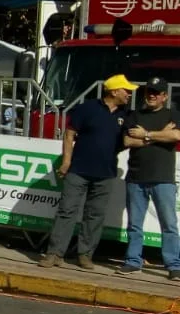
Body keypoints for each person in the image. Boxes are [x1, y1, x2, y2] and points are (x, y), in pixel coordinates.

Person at [39, 74, 135, 269]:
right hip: (79, 169)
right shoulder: (87, 108)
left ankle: (85, 255)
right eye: (127, 90)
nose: (129, 94)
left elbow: (127, 141)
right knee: (67, 211)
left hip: (106, 173)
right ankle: (54, 253)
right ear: (114, 91)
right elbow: (69, 134)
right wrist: (66, 161)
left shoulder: (126, 115)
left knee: (95, 215)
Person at [119, 77, 180, 279]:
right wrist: (157, 135)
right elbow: (128, 140)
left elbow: (176, 136)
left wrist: (145, 134)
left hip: (164, 179)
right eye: (149, 92)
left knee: (169, 225)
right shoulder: (134, 115)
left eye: (156, 92)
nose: (152, 95)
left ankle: (173, 264)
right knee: (135, 224)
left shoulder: (173, 114)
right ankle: (133, 261)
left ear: (165, 96)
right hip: (136, 177)